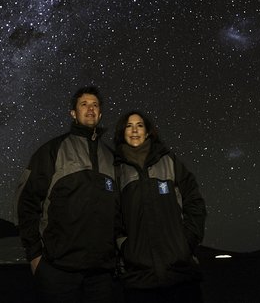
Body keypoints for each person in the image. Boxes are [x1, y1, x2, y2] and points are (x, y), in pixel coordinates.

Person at [16, 86, 120, 303]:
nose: (90, 109)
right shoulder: (52, 150)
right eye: (84, 104)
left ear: (100, 114)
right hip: (58, 271)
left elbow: (120, 213)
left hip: (101, 274)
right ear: (73, 113)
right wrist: (35, 255)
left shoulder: (112, 158)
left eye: (95, 105)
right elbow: (26, 202)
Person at [113, 110, 207, 303]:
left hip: (180, 273)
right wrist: (126, 249)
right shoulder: (116, 169)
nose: (134, 130)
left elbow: (194, 200)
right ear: (123, 132)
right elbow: (112, 216)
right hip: (139, 278)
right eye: (129, 126)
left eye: (139, 125)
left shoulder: (169, 161)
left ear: (147, 132)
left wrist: (186, 241)